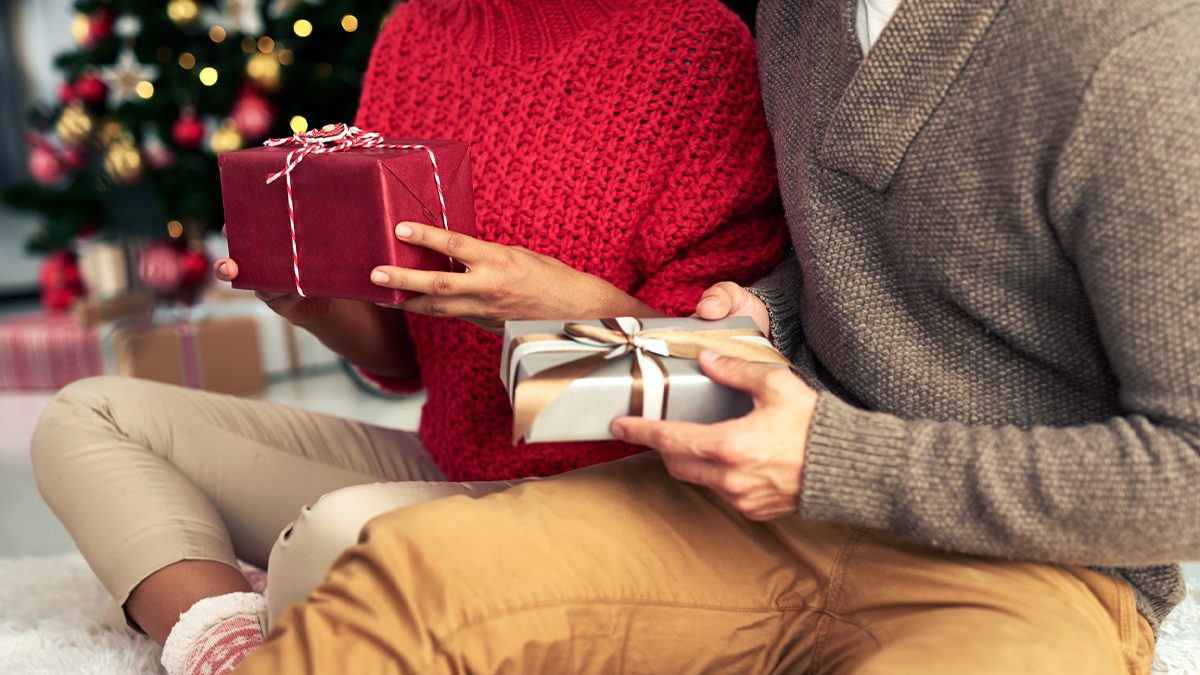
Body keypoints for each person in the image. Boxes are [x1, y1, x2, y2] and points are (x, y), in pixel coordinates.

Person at [234, 0, 1200, 672]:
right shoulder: (798, 16)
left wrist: (833, 457)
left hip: (1042, 569)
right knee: (403, 568)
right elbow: (865, 260)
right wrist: (762, 311)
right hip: (767, 505)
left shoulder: (1135, 54)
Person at [29, 1, 784, 673]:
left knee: (333, 537)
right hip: (447, 462)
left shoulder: (695, 44)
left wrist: (544, 308)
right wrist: (316, 304)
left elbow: (712, 391)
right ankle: (233, 652)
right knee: (87, 418)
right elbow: (406, 355)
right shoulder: (415, 32)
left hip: (627, 495)